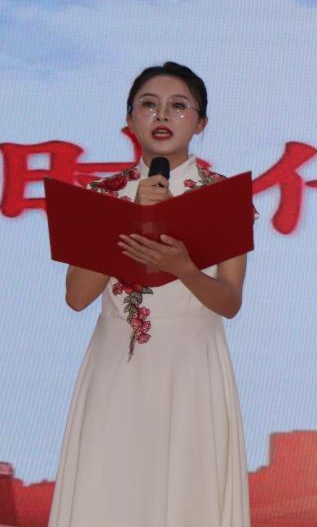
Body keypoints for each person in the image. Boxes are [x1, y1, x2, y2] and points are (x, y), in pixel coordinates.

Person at [49, 62, 250, 527]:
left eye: (178, 106)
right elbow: (77, 297)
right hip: (116, 367)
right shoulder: (103, 194)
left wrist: (183, 269)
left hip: (191, 367)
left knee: (188, 494)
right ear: (129, 119)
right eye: (148, 105)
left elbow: (230, 302)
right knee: (109, 490)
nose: (162, 115)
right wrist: (129, 217)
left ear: (201, 123)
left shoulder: (224, 197)